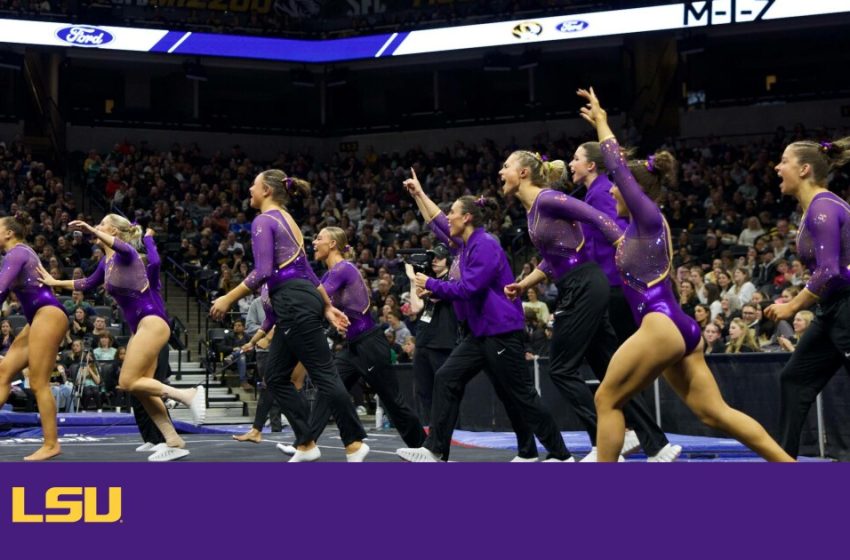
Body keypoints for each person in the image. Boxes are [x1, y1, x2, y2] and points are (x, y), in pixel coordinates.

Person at [578, 87, 793, 462]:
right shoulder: (635, 229)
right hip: (679, 327)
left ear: (636, 191)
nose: (612, 191)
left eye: (618, 186)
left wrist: (602, 122)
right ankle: (787, 465)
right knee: (713, 413)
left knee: (606, 398)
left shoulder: (646, 216)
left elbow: (616, 166)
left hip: (659, 324)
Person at [501, 150, 678, 462]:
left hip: (584, 286)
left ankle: (605, 439)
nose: (501, 172)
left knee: (560, 368)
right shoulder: (535, 210)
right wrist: (525, 283)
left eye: (506, 166)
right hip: (580, 284)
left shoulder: (548, 199)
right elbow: (559, 253)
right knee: (611, 369)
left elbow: (599, 217)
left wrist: (624, 250)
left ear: (524, 173)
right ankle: (658, 445)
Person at [396, 189, 573, 462]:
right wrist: (418, 193)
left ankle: (561, 456)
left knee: (520, 395)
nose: (449, 217)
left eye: (453, 212)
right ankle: (435, 450)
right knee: (447, 377)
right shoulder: (465, 246)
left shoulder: (486, 244)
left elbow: (471, 288)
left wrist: (431, 284)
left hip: (500, 331)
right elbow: (436, 220)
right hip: (480, 333)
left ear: (466, 217)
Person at [210, 169, 369, 462]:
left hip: (293, 301)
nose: (249, 190)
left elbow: (263, 272)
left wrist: (227, 297)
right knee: (276, 376)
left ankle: (355, 442)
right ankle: (306, 443)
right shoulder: (289, 221)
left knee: (324, 374)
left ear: (267, 191)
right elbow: (308, 271)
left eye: (253, 185)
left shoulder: (264, 220)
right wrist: (326, 306)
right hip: (299, 300)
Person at [38, 214, 206, 462]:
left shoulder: (127, 254)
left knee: (127, 381)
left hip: (151, 321)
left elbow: (126, 248)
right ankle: (174, 441)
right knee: (141, 390)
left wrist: (89, 228)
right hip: (142, 326)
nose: (97, 227)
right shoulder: (106, 263)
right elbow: (85, 283)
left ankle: (188, 395)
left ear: (114, 232)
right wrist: (54, 281)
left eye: (101, 224)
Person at [278, 227, 426, 455]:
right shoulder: (329, 274)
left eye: (319, 239)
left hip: (370, 345)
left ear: (333, 245)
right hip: (352, 347)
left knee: (392, 401)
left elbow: (316, 300)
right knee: (328, 391)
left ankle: (424, 448)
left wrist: (295, 275)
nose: (314, 243)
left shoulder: (343, 269)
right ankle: (306, 443)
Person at [764, 137, 850, 457]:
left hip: (846, 307)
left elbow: (828, 271)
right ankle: (784, 463)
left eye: (783, 161)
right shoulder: (815, 208)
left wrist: (792, 306)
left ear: (803, 169)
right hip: (833, 309)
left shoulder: (823, 208)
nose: (777, 166)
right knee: (795, 379)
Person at [0, 213, 68, 460]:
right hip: (37, 317)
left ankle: (51, 444)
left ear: (9, 233)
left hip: (48, 314)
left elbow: (1, 288)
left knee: (38, 382)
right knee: (4, 372)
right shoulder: (17, 253)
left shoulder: (17, 252)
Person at [406, 243, 457, 423]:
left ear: (448, 261)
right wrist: (413, 280)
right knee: (422, 389)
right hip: (424, 340)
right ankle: (427, 427)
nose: (434, 260)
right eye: (433, 257)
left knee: (443, 389)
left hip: (443, 342)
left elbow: (435, 295)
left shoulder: (452, 280)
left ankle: (445, 427)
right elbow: (415, 306)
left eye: (439, 257)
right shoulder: (428, 280)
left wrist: (422, 283)